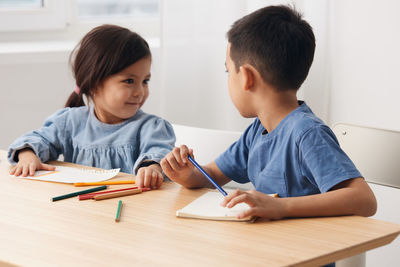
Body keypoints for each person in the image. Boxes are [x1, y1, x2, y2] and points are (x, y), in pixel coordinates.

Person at [161, 6, 377, 220]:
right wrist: (188, 175)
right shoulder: (258, 130)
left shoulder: (307, 133)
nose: (228, 79)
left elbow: (364, 200)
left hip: (304, 251)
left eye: (228, 71)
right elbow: (213, 175)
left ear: (247, 77)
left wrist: (281, 207)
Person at [8, 24, 175, 189]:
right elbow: (36, 139)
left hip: (133, 210)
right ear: (94, 84)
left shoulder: (152, 128)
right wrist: (27, 156)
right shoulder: (70, 122)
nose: (140, 91)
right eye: (129, 81)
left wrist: (153, 168)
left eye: (145, 81)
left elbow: (159, 153)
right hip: (81, 209)